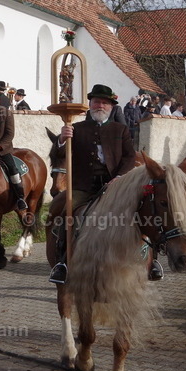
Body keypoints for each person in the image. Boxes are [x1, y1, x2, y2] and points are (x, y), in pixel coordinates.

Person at [48, 84, 137, 284]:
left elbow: (130, 156)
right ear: (90, 104)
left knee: (141, 212)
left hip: (113, 186)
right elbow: (58, 156)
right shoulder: (76, 129)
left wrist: (120, 177)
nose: (100, 105)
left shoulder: (120, 130)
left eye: (104, 103)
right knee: (67, 215)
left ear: (111, 107)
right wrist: (62, 139)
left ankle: (149, 260)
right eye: (96, 101)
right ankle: (62, 263)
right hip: (83, 187)